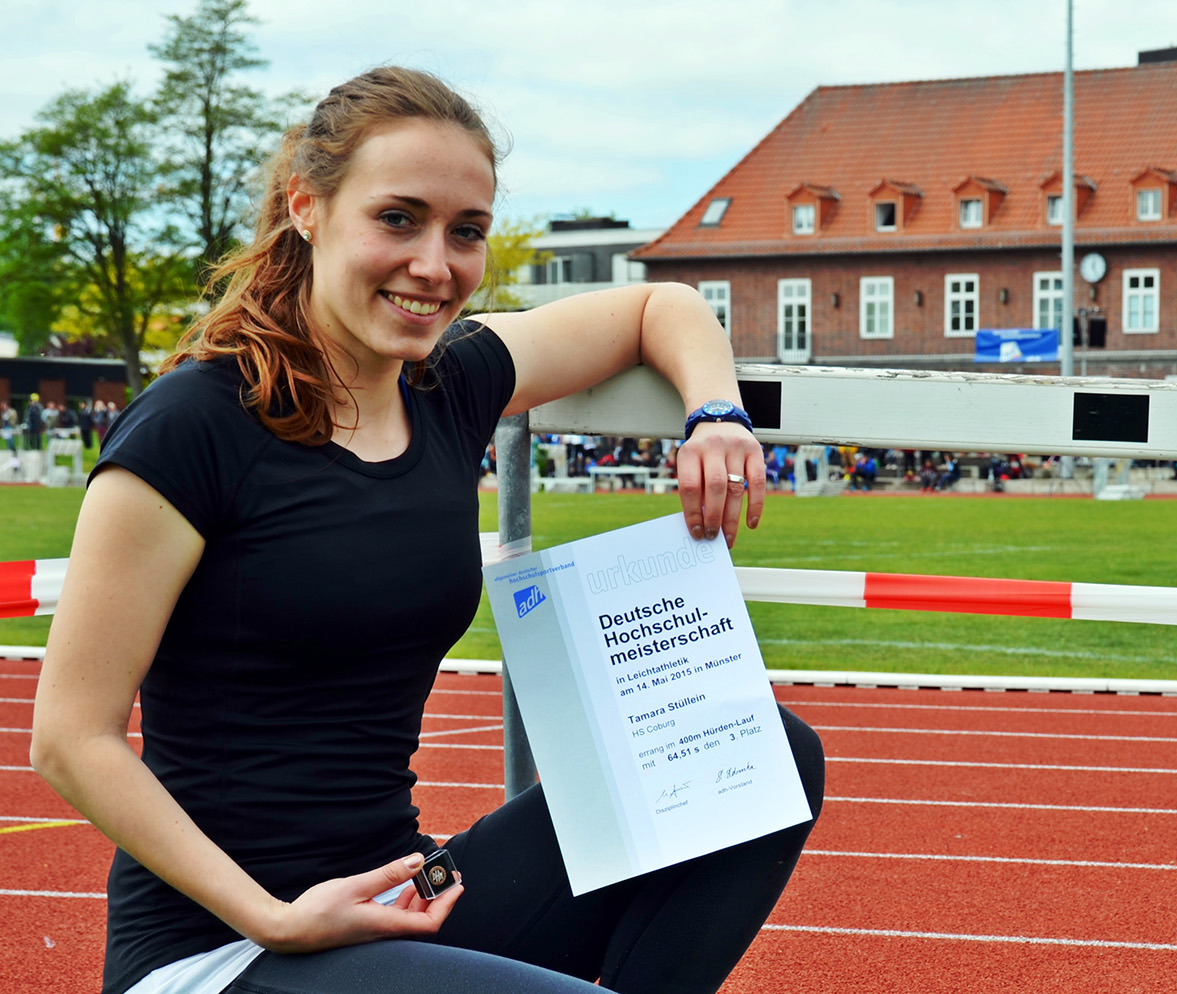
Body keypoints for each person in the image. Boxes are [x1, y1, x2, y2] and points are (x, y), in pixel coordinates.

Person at [31, 67, 823, 994]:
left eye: (466, 232)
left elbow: (661, 306)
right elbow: (69, 737)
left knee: (764, 749)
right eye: (397, 219)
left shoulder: (450, 386)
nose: (435, 265)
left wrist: (716, 415)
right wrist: (275, 918)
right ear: (307, 208)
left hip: (407, 896)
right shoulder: (193, 424)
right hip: (225, 948)